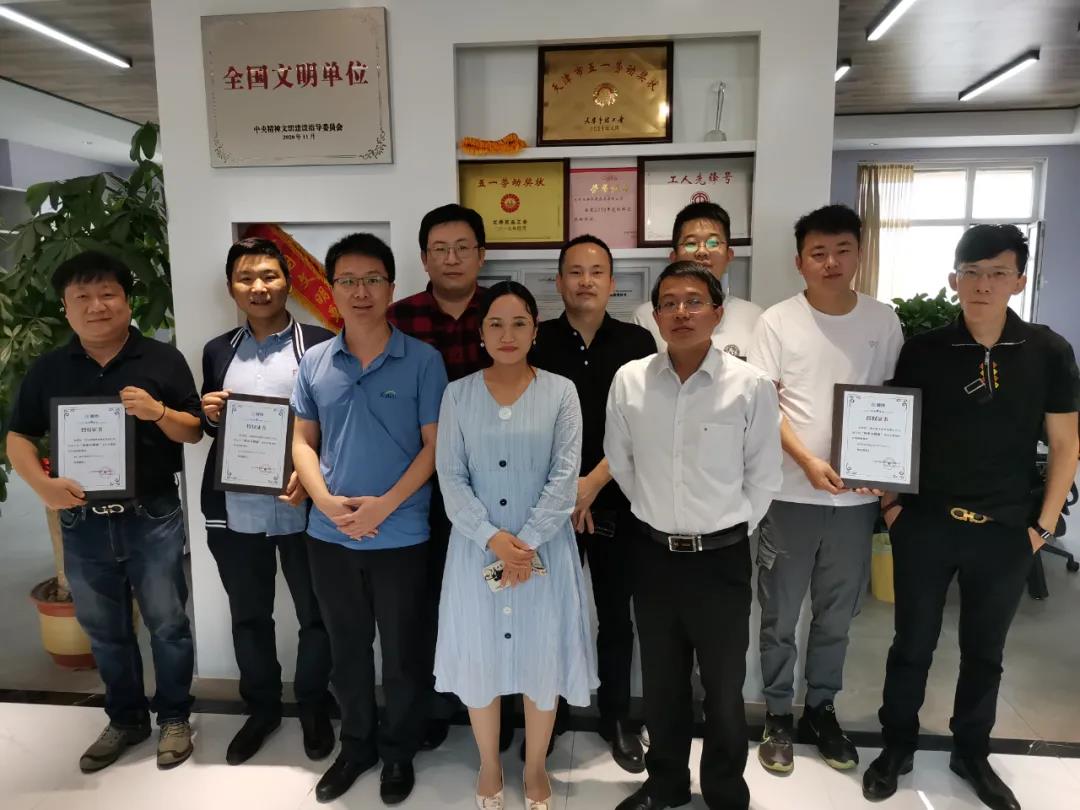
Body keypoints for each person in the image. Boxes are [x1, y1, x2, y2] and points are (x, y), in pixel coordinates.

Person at [863, 225, 1080, 810]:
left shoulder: (1048, 351)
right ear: (953, 279)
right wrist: (890, 505)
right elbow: (897, 430)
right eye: (972, 272)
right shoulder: (925, 349)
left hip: (1006, 531)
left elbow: (1066, 445)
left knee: (986, 651)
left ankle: (971, 752)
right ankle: (897, 746)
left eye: (998, 273)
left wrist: (1042, 527)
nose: (983, 284)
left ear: (1019, 281)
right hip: (926, 525)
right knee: (912, 644)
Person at [6, 251, 202, 772]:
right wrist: (42, 486)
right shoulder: (50, 368)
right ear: (66, 307)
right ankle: (125, 719)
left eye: (108, 294)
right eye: (83, 297)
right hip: (82, 521)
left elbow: (193, 430)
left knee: (168, 623)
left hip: (152, 515)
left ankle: (175, 717)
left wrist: (158, 412)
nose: (97, 306)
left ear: (127, 301)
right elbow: (19, 436)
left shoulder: (162, 360)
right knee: (105, 630)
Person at [606, 262, 782, 810]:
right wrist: (656, 514)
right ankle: (666, 783)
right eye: (669, 303)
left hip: (721, 559)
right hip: (654, 555)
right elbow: (621, 461)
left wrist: (725, 528)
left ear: (717, 313)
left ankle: (725, 788)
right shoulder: (630, 380)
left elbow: (764, 475)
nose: (681, 312)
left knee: (725, 688)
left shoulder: (750, 385)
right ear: (655, 315)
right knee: (662, 683)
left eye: (694, 301)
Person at [290, 233, 448, 805]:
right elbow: (302, 442)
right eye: (349, 281)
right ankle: (356, 746)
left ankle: (398, 750)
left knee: (403, 653)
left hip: (401, 534)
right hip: (329, 535)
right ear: (332, 289)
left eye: (373, 280)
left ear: (391, 287)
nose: (361, 292)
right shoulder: (314, 362)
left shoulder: (423, 361)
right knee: (347, 648)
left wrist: (385, 505)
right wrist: (325, 501)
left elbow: (434, 447)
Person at [747, 204, 904, 775]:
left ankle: (821, 709)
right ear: (800, 262)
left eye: (842, 250)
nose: (831, 261)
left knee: (838, 615)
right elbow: (765, 406)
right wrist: (808, 461)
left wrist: (886, 478)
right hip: (789, 495)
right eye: (818, 252)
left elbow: (893, 402)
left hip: (856, 501)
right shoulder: (777, 321)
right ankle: (778, 715)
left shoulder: (883, 321)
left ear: (859, 254)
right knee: (780, 615)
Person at [434, 281, 598, 810]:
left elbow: (565, 475)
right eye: (496, 324)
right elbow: (450, 477)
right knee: (480, 657)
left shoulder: (561, 392)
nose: (508, 334)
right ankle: (488, 763)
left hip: (543, 550)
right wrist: (493, 538)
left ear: (535, 330)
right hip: (476, 549)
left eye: (519, 323)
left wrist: (524, 544)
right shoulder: (458, 395)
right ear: (480, 334)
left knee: (540, 658)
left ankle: (534, 767)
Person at [198, 237, 335, 765]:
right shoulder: (218, 350)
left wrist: (312, 475)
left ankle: (313, 704)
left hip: (304, 505)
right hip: (237, 508)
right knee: (249, 615)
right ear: (230, 287)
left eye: (269, 276)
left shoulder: (320, 345)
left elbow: (336, 423)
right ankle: (262, 709)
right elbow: (219, 430)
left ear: (288, 283)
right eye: (245, 278)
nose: (258, 287)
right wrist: (210, 414)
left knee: (317, 613)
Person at [530, 234, 656, 773]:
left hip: (617, 501)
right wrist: (566, 490)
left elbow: (644, 424)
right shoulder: (536, 341)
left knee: (616, 616)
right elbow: (529, 424)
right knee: (548, 612)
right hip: (549, 505)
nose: (585, 281)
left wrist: (594, 483)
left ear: (611, 282)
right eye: (575, 272)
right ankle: (548, 714)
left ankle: (616, 717)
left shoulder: (637, 341)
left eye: (596, 271)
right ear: (559, 282)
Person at [387, 203, 491, 751]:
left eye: (462, 248)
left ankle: (497, 702)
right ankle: (433, 706)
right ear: (424, 258)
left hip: (494, 487)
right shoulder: (397, 319)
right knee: (423, 600)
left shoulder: (504, 311)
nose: (452, 259)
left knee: (492, 594)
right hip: (419, 487)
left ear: (481, 254)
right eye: (440, 250)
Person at [632, 201, 761, 359]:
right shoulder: (645, 317)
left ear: (729, 255)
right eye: (691, 244)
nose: (702, 252)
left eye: (713, 243)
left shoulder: (754, 316)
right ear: (674, 257)